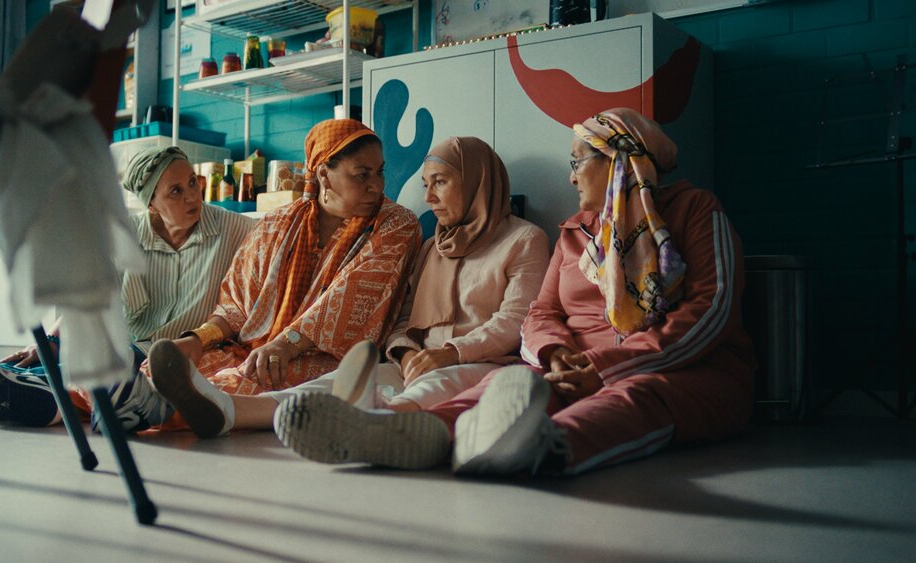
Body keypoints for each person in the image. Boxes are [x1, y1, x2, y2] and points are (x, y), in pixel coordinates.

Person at [273, 108, 757, 474]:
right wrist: (555, 356)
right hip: (571, 368)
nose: (570, 176)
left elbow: (710, 312)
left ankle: (535, 447)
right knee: (501, 388)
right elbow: (540, 314)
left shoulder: (694, 210)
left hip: (675, 373)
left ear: (618, 158)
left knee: (630, 398)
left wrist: (605, 367)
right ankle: (399, 433)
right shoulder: (576, 232)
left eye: (578, 161)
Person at [146, 136, 549, 437]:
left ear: (478, 181)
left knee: (404, 389)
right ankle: (212, 409)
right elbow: (406, 317)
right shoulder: (436, 246)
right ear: (323, 175)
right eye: (363, 174)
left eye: (439, 183)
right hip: (414, 359)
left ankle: (368, 430)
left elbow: (516, 320)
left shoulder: (520, 239)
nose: (427, 197)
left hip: (465, 361)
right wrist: (406, 351)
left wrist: (449, 353)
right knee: (336, 386)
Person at [134, 118, 422, 438]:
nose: (376, 186)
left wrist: (285, 345)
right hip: (253, 346)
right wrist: (197, 340)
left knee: (238, 382)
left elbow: (351, 298)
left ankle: (145, 411)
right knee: (154, 371)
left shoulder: (396, 224)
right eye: (362, 174)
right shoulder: (277, 223)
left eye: (379, 172)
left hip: (320, 355)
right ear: (324, 174)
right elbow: (236, 304)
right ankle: (129, 406)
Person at [0, 146, 256, 426]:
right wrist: (49, 341)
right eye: (176, 191)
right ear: (151, 203)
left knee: (106, 363)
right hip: (125, 343)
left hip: (166, 351)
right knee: (56, 356)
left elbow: (272, 237)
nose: (192, 197)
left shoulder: (231, 227)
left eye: (193, 183)